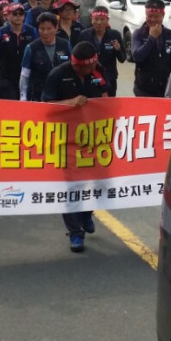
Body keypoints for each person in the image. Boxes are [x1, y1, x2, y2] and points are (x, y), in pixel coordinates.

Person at [40, 41, 110, 253]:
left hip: (93, 137)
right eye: (90, 66)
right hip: (66, 139)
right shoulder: (57, 75)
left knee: (98, 182)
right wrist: (71, 102)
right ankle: (75, 232)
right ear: (79, 65)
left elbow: (107, 98)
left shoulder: (98, 71)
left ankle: (86, 214)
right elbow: (45, 107)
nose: (94, 67)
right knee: (71, 187)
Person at [131, 0, 171, 96]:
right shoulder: (138, 34)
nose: (152, 20)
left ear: (163, 16)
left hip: (167, 90)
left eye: (156, 16)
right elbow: (137, 56)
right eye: (150, 16)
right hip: (144, 90)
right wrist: (151, 38)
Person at [19, 12, 71, 102]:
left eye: (49, 29)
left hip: (63, 94)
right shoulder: (31, 48)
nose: (45, 32)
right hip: (39, 95)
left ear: (56, 28)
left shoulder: (65, 45)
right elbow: (24, 75)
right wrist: (23, 97)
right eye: (42, 29)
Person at [76, 6, 126, 96]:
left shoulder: (115, 35)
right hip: (89, 77)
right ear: (91, 20)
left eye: (102, 19)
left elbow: (122, 59)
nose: (99, 22)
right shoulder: (84, 35)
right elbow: (77, 57)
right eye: (96, 19)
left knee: (109, 104)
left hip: (109, 78)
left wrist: (118, 49)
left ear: (107, 20)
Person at [0, 2, 37, 100]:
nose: (18, 16)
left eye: (21, 14)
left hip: (26, 76)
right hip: (6, 77)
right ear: (8, 15)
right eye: (15, 14)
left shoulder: (32, 31)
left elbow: (36, 53)